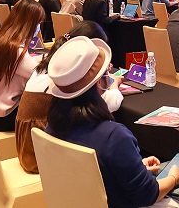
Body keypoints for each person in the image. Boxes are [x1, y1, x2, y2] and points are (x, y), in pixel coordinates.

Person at [45, 36, 179, 207]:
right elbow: (148, 195)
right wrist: (173, 178)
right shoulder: (114, 137)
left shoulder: (52, 127)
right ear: (99, 83)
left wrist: (135, 167)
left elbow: (87, 173)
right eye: (106, 73)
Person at [15, 21, 123, 173]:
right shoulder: (66, 80)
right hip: (40, 157)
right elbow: (109, 103)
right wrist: (112, 83)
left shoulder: (51, 65)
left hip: (30, 145)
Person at [0, 0, 42, 131]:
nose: (39, 27)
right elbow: (38, 75)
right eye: (38, 23)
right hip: (1, 119)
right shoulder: (15, 50)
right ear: (30, 24)